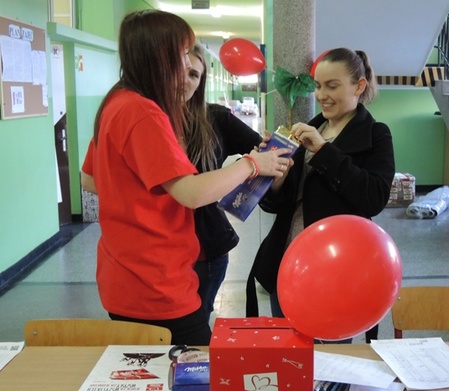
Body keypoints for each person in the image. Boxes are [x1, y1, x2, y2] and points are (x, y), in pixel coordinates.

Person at [80, 9, 291, 345]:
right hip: (156, 283)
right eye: (182, 54)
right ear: (159, 56)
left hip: (123, 274)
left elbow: (90, 178)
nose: (187, 66)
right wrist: (252, 164)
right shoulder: (144, 112)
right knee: (195, 382)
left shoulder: (116, 103)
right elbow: (191, 193)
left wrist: (135, 199)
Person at [245, 48, 396, 343]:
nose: (321, 95)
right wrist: (275, 174)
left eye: (332, 85)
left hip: (336, 271)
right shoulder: (311, 128)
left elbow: (374, 198)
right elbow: (279, 203)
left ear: (359, 86)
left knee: (330, 362)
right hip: (288, 262)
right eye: (317, 85)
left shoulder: (376, 134)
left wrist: (325, 151)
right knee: (289, 351)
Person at [184, 44, 264, 320]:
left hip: (205, 249)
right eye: (179, 70)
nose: (185, 80)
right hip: (157, 253)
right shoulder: (145, 120)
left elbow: (264, 150)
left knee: (196, 320)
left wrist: (245, 193)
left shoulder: (215, 118)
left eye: (194, 74)